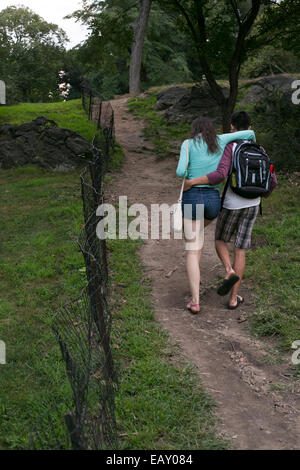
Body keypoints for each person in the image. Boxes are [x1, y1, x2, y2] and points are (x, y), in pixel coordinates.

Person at [184, 111, 277, 310]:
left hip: (232, 203)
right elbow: (272, 179)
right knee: (240, 250)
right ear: (250, 128)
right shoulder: (260, 148)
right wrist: (261, 195)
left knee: (220, 240)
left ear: (232, 128)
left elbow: (220, 175)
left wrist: (193, 182)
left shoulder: (230, 147)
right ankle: (234, 299)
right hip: (253, 204)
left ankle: (228, 269)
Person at [176, 116, 256, 314]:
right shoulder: (220, 140)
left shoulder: (188, 144)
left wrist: (191, 173)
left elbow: (179, 171)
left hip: (192, 197)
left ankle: (195, 301)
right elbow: (250, 133)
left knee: (192, 248)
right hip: (213, 201)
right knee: (197, 238)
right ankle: (229, 271)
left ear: (195, 130)